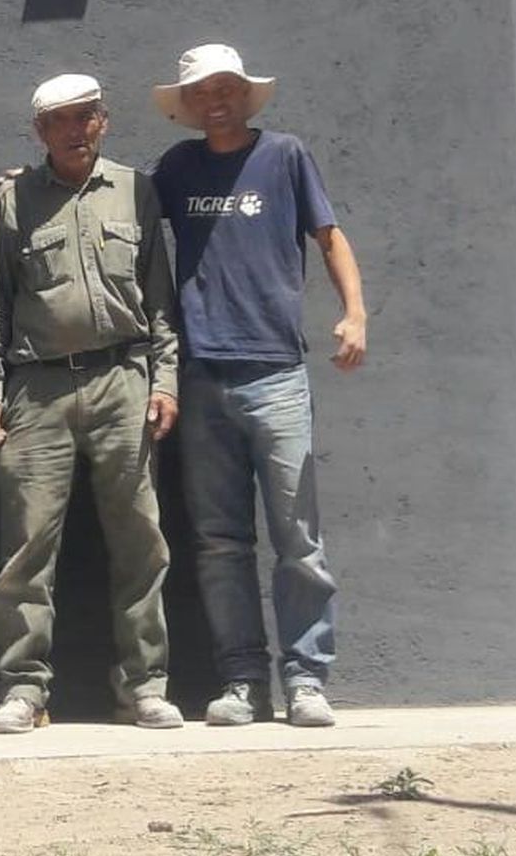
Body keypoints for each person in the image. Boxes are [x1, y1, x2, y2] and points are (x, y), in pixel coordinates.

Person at [151, 43, 367, 729]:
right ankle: (242, 680)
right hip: (201, 373)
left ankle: (306, 679)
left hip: (275, 372)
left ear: (245, 95)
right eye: (202, 92)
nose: (216, 99)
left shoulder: (286, 155)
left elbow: (330, 238)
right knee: (219, 542)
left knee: (298, 537)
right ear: (186, 106)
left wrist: (354, 313)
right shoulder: (177, 168)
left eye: (227, 87)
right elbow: (121, 217)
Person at [0, 72, 182, 733]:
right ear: (40, 132)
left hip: (123, 380)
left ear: (104, 120)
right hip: (36, 387)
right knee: (26, 546)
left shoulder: (137, 190)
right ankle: (23, 689)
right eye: (59, 119)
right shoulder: (14, 200)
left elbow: (161, 298)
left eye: (86, 115)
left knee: (140, 541)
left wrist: (166, 379)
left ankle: (144, 687)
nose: (74, 128)